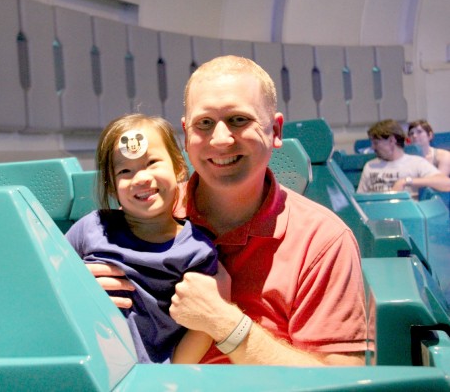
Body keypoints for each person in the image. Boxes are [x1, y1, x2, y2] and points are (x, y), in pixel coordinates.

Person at [88, 55, 367, 366]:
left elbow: (342, 381)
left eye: (239, 120)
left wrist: (224, 323)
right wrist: (76, 294)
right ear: (186, 136)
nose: (220, 140)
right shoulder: (137, 216)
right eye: (204, 123)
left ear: (275, 131)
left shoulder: (324, 241)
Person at [65, 113, 218, 364]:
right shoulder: (91, 228)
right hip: (88, 369)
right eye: (125, 170)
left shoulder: (197, 250)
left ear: (179, 166)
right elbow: (48, 282)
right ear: (112, 186)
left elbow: (202, 328)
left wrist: (170, 375)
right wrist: (75, 286)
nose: (141, 178)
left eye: (152, 162)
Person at [357, 119, 448, 199]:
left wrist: (405, 181)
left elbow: (446, 183)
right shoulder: (370, 166)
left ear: (392, 141)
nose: (372, 147)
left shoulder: (416, 163)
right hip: (375, 214)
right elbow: (359, 199)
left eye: (376, 143)